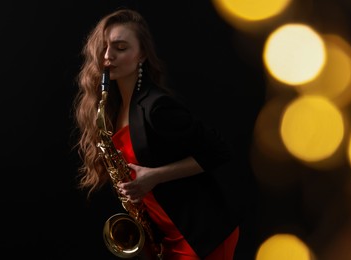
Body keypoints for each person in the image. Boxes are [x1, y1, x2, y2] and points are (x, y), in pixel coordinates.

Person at [72, 7, 241, 260]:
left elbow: (218, 151)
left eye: (120, 48)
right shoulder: (111, 110)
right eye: (104, 47)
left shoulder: (157, 107)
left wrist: (154, 176)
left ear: (141, 55)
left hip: (200, 233)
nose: (108, 56)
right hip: (165, 236)